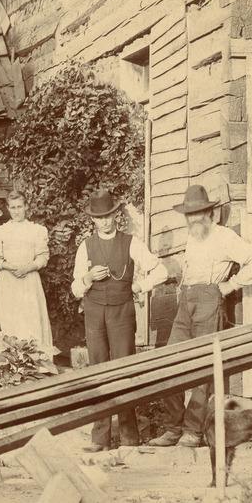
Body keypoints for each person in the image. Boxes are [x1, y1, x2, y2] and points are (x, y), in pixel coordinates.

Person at [148, 184, 252, 448]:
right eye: (190, 214)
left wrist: (230, 285)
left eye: (200, 212)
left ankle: (193, 431)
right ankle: (172, 428)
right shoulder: (193, 237)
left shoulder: (224, 237)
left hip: (209, 301)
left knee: (202, 368)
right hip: (186, 303)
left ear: (210, 213)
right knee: (169, 362)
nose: (195, 218)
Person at [71, 188, 169, 452]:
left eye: (108, 216)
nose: (103, 221)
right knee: (98, 369)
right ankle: (99, 438)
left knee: (124, 370)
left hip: (122, 312)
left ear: (116, 215)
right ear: (92, 219)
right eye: (98, 217)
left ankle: (128, 436)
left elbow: (161, 271)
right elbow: (75, 289)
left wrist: (139, 287)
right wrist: (88, 278)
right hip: (93, 312)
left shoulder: (131, 242)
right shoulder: (86, 246)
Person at [0, 190, 54, 356]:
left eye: (19, 207)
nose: (16, 211)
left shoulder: (37, 230)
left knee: (30, 319)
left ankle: (34, 363)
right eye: (13, 207)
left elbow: (43, 257)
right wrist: (9, 267)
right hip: (7, 281)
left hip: (29, 280)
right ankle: (9, 363)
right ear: (8, 209)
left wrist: (27, 268)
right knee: (9, 320)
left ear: (26, 207)